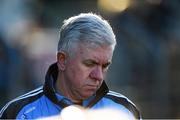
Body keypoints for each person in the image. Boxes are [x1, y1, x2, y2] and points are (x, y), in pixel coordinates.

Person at [0, 13, 141, 119]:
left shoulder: (125, 111)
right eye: (90, 63)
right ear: (62, 60)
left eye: (105, 66)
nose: (98, 76)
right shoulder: (17, 113)